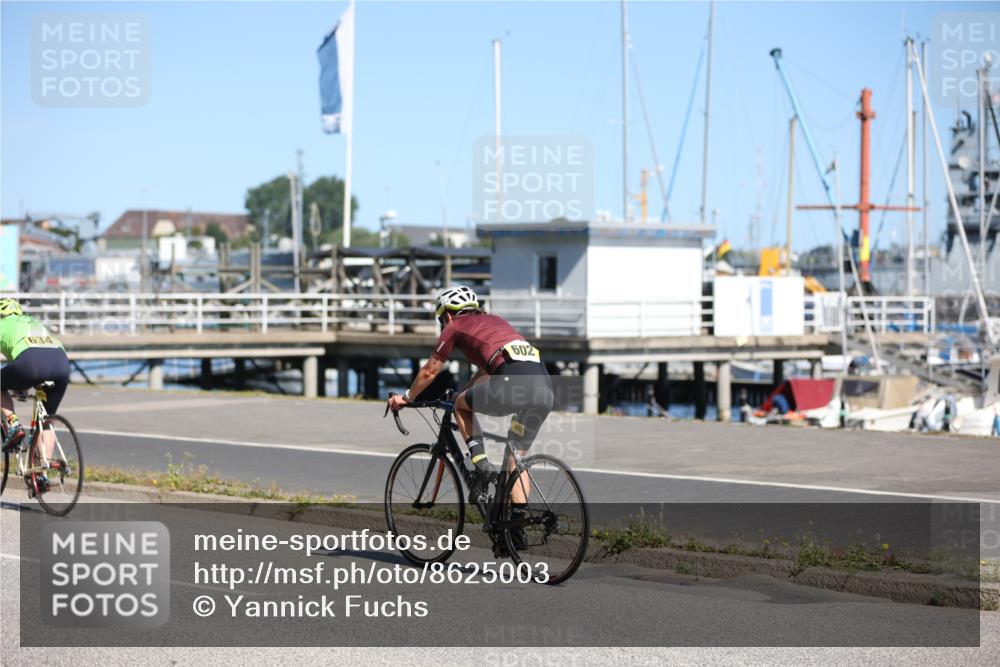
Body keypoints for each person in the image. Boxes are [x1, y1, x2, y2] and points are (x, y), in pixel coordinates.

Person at [387, 285, 554, 498]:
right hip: (544, 390)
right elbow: (484, 372)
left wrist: (407, 397)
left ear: (447, 314)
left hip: (512, 385)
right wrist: (463, 393)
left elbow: (430, 371)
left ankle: (481, 464)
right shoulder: (496, 321)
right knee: (514, 460)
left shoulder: (455, 326)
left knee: (459, 406)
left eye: (441, 321)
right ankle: (518, 525)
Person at [0, 298, 71, 455]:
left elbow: (26, 365)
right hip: (61, 363)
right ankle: (43, 473)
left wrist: (19, 383)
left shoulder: (2, 324)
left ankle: (13, 424)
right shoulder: (33, 321)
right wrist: (21, 384)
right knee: (46, 421)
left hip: (31, 364)